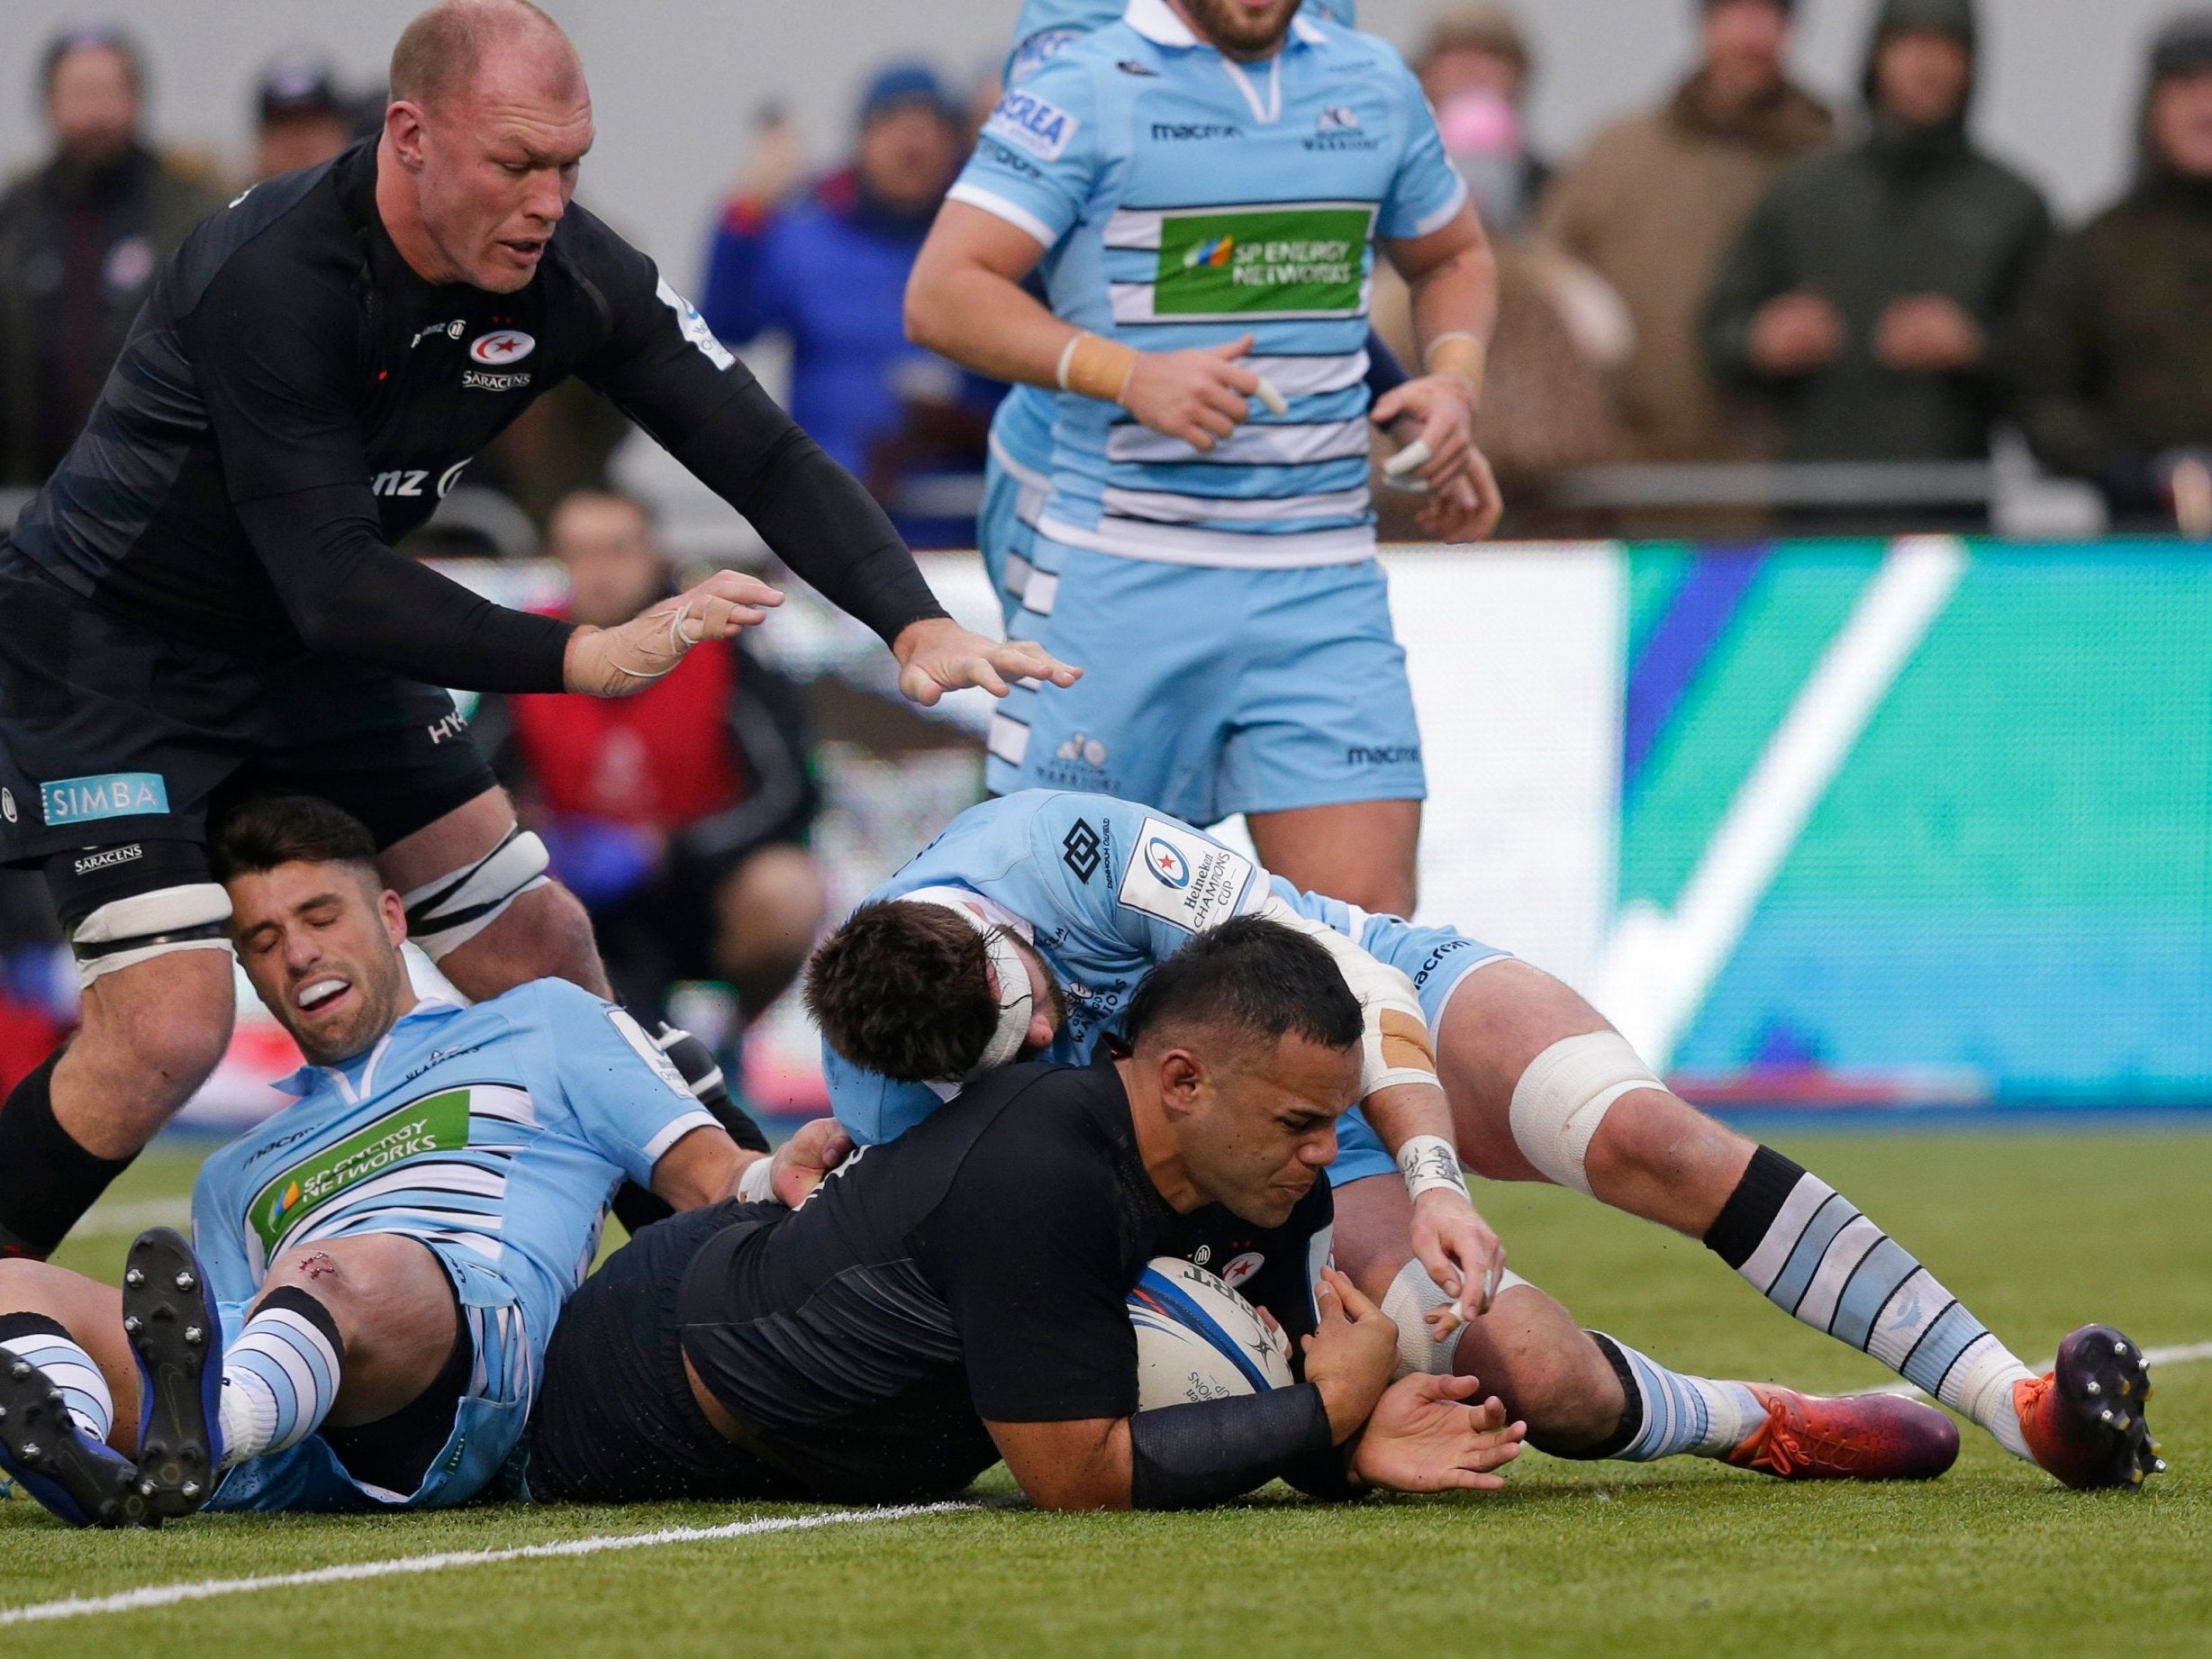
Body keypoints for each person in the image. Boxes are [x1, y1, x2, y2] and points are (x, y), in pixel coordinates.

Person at [0, 0, 1074, 1266]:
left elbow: (761, 446)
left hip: (306, 654)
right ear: (410, 137)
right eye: (515, 164)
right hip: (111, 656)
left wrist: (909, 617)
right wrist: (583, 655)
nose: (548, 200)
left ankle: (757, 1260)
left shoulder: (568, 269)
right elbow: (336, 582)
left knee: (546, 946)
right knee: (168, 1026)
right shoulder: (274, 271)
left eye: (571, 164)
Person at [802, 789, 2162, 1492]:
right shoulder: (873, 1085)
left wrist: (1432, 1173)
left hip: (1361, 1005)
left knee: (1644, 1139)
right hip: (1234, 1173)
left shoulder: (1072, 848)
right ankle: (1763, 1420)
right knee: (1535, 1376)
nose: (1048, 1048)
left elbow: (1348, 989)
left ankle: (2016, 1400)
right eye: (1014, 1064)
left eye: (1039, 1014)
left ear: (1006, 934)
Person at [0, 793, 846, 1528]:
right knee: (13, 1285)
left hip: (476, 1368)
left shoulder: (545, 1023)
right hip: (288, 1427)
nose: (298, 954)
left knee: (337, 1267)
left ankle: (210, 1429)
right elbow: (207, 1325)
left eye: (321, 916)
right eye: (263, 939)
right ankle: (77, 1455)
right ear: (250, 970)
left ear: (393, 919)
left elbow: (707, 1176)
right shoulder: (237, 1171)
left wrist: (776, 1174)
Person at [523, 918, 1529, 1509]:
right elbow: (1073, 1475)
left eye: (1335, 1123)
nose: (1324, 1158)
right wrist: (1328, 1411)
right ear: (1181, 1080)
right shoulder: (1043, 1166)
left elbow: (1269, 1383)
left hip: (800, 1402)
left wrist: (1347, 1448)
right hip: (637, 1390)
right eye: (1300, 1122)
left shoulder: (1269, 1185)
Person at [908, 0, 1503, 919]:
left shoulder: (1369, 77)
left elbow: (1450, 254)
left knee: (1358, 951)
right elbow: (944, 292)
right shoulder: (1085, 72)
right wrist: (1129, 373)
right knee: (1076, 939)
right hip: (1120, 569)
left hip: (1319, 578)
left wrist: (1448, 386)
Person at [970, 0, 1469, 636]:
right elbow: (1063, 260)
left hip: (1284, 522)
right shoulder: (1081, 21)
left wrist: (1411, 404)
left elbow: (1294, 259)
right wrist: (1128, 374)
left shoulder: (1328, 29)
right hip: (1081, 482)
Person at [474, 489, 827, 1034]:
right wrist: (531, 835)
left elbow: (790, 792)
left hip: (701, 885)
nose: (601, 572)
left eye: (617, 550)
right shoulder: (523, 650)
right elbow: (471, 780)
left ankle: (734, 1037)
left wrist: (670, 850)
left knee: (788, 891)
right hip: (574, 888)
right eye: (582, 552)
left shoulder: (722, 644)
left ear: (654, 555)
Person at [1704, 0, 2051, 464]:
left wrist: (1977, 345)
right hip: (1813, 500)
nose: (1926, 66)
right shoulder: (1803, 193)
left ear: (1971, 65)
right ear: (1876, 58)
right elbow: (1718, 329)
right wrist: (1762, 339)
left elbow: (2059, 360)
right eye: (1909, 45)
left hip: (1953, 498)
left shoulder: (2011, 205)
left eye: (1945, 48)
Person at [700, 66, 996, 548]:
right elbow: (727, 327)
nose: (911, 148)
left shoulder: (993, 240)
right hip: (841, 517)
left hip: (971, 516)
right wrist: (747, 208)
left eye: (929, 132)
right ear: (862, 140)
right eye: (894, 128)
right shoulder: (808, 233)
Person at [1539, 0, 1833, 463]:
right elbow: (1545, 292)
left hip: (1786, 483)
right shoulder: (1614, 157)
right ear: (1706, 23)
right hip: (1631, 480)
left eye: (1769, 14)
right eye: (1735, 12)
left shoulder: (1834, 160)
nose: (1752, 34)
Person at [2003, 11, 2212, 528]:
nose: (2206, 107)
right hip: (2137, 553)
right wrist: (2126, 469)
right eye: (2185, 86)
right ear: (2151, 106)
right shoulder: (2096, 249)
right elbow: (2040, 394)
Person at [0, 25, 224, 487]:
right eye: (80, 92)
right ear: (49, 103)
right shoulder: (15, 214)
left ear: (136, 99)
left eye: (109, 91)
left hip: (153, 491)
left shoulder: (188, 208)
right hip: (25, 488)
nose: (95, 112)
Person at [253, 53, 355, 182]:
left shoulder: (374, 200)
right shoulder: (240, 202)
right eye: (284, 128)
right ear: (263, 141)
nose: (300, 147)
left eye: (312, 128)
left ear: (342, 132)